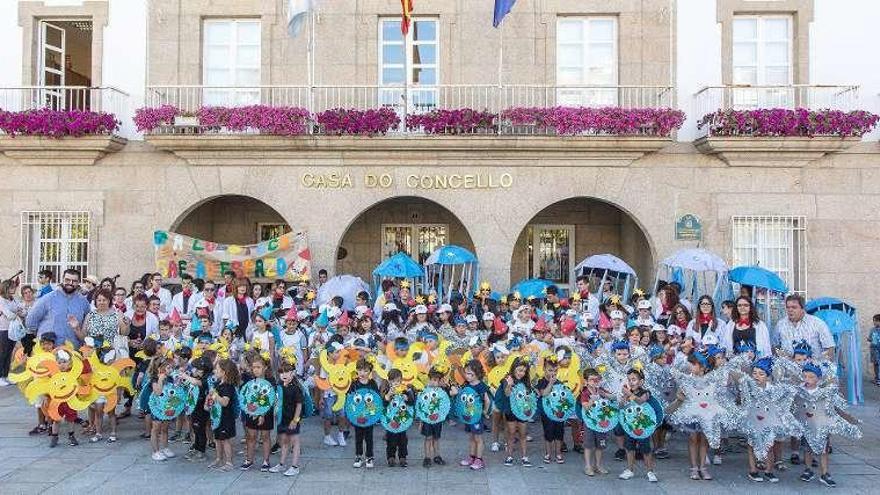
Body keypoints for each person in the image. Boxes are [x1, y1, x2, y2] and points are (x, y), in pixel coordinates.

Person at [25, 268, 91, 347]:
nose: (70, 283)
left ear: (78, 283)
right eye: (67, 280)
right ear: (62, 279)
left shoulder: (83, 302)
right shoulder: (48, 298)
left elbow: (87, 325)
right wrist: (43, 334)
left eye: (74, 281)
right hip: (48, 350)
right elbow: (30, 322)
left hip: (73, 351)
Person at [618, 369, 658, 482]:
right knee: (629, 448)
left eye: (634, 379)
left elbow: (641, 401)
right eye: (629, 380)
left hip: (643, 426)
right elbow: (621, 407)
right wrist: (623, 398)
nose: (631, 382)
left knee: (646, 449)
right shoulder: (627, 393)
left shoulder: (646, 392)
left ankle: (650, 471)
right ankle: (630, 470)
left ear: (641, 382)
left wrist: (629, 394)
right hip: (630, 426)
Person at [241, 351, 276, 472]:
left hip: (266, 413)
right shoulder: (250, 381)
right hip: (252, 412)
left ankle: (266, 461)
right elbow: (246, 397)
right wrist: (250, 411)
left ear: (265, 367)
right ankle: (249, 459)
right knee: (251, 436)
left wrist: (262, 414)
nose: (255, 370)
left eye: (258, 367)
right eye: (254, 367)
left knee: (265, 436)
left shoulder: (270, 381)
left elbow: (271, 399)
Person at [454, 359, 491, 470]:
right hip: (468, 416)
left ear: (477, 374)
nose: (467, 376)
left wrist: (485, 411)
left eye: (470, 374)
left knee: (478, 438)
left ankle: (479, 460)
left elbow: (487, 401)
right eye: (466, 373)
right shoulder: (466, 384)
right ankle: (472, 457)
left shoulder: (481, 386)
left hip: (476, 417)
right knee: (471, 438)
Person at [776, 294, 835, 361]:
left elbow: (830, 349)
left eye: (794, 307)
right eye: (788, 307)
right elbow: (775, 347)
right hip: (788, 369)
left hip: (812, 369)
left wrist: (819, 365)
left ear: (802, 308)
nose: (790, 310)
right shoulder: (780, 325)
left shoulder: (818, 324)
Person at [270, 359, 304, 476]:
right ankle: (281, 464)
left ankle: (295, 466)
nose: (284, 375)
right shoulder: (279, 386)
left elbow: (299, 405)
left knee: (294, 441)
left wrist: (295, 420)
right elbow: (277, 401)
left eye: (287, 372)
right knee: (284, 441)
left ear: (293, 373)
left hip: (292, 420)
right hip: (282, 419)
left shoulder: (295, 388)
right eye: (281, 372)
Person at [208, 358, 240, 471]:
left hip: (226, 418)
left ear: (224, 372)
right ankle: (218, 458)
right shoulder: (217, 384)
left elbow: (225, 402)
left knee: (226, 440)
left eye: (217, 369)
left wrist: (215, 395)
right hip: (217, 416)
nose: (214, 371)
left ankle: (229, 462)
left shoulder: (228, 386)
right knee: (217, 439)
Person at [580, 368, 612, 476]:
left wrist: (605, 395)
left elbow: (613, 397)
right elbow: (586, 407)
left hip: (601, 423)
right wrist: (592, 400)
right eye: (592, 380)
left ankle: (598, 465)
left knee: (600, 445)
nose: (595, 382)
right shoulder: (584, 392)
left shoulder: (601, 390)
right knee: (588, 445)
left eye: (596, 380)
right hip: (589, 423)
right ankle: (588, 466)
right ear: (586, 381)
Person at [350, 357, 379, 469]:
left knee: (369, 437)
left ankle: (369, 456)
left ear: (370, 372)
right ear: (357, 370)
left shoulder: (372, 383)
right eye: (360, 370)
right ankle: (358, 455)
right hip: (357, 415)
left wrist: (372, 412)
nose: (363, 373)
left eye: (366, 371)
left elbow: (376, 399)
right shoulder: (354, 384)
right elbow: (350, 399)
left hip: (369, 415)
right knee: (358, 436)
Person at [384, 368, 415, 468]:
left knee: (403, 440)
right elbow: (383, 404)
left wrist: (407, 398)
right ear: (389, 381)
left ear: (401, 380)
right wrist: (388, 395)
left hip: (402, 420)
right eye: (393, 381)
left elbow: (411, 403)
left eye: (398, 381)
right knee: (390, 439)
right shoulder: (387, 391)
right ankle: (391, 457)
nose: (396, 383)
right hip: (390, 420)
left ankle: (403, 457)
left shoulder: (405, 390)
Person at [149, 355, 175, 461]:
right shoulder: (154, 378)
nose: (171, 370)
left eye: (171, 368)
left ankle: (165, 448)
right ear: (161, 368)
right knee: (156, 429)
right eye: (168, 368)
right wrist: (160, 379)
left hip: (167, 407)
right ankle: (155, 451)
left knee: (165, 428)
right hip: (157, 408)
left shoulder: (170, 378)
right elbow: (158, 392)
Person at [0, 279, 25, 386]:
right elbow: (9, 315)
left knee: (9, 353)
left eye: (14, 286)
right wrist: (17, 312)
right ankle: (0, 376)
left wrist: (17, 312)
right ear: (6, 288)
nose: (14, 289)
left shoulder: (13, 299)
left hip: (13, 330)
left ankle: (5, 375)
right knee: (3, 353)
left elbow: (24, 311)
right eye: (12, 287)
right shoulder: (1, 300)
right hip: (4, 330)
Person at [868, 314, 880, 386]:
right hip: (874, 350)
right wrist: (869, 339)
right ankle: (877, 379)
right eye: (874, 321)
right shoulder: (872, 329)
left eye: (875, 321)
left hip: (878, 349)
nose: (874, 322)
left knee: (878, 364)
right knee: (876, 364)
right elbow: (870, 338)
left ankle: (878, 380)